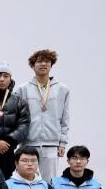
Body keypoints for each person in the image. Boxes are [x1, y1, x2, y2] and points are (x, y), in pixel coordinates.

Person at [18, 49, 70, 180]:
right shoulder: (22, 89)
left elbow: (65, 118)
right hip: (28, 144)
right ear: (33, 65)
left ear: (51, 64)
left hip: (51, 145)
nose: (43, 64)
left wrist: (62, 143)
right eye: (39, 61)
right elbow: (17, 118)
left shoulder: (62, 89)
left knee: (49, 183)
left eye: (47, 61)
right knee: (26, 181)